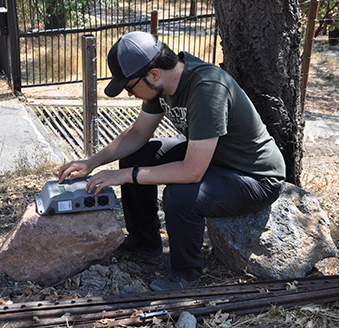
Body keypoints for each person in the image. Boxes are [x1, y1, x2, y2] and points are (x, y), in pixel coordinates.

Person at [58, 31, 286, 290]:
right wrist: (92, 162)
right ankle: (145, 243)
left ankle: (186, 274)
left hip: (254, 176)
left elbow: (191, 171)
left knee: (179, 195)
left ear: (153, 73)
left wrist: (127, 176)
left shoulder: (207, 88)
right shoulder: (161, 84)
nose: (130, 95)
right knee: (137, 155)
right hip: (212, 158)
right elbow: (138, 133)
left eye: (130, 87)